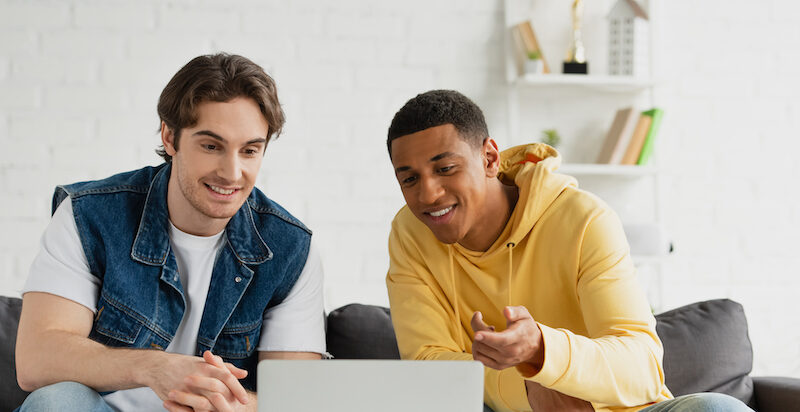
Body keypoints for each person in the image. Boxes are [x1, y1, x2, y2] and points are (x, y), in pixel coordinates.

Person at [384, 90, 753, 412]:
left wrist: (543, 350)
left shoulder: (584, 219)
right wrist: (531, 386)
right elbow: (428, 366)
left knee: (716, 408)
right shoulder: (410, 234)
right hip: (510, 409)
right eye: (409, 179)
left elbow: (641, 367)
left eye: (445, 168)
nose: (427, 195)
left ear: (490, 159)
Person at [15, 53, 326, 412]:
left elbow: (297, 400)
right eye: (212, 146)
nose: (232, 172)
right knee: (56, 402)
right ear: (170, 137)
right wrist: (154, 368)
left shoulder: (289, 249)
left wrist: (232, 406)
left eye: (250, 150)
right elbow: (36, 359)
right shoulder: (91, 216)